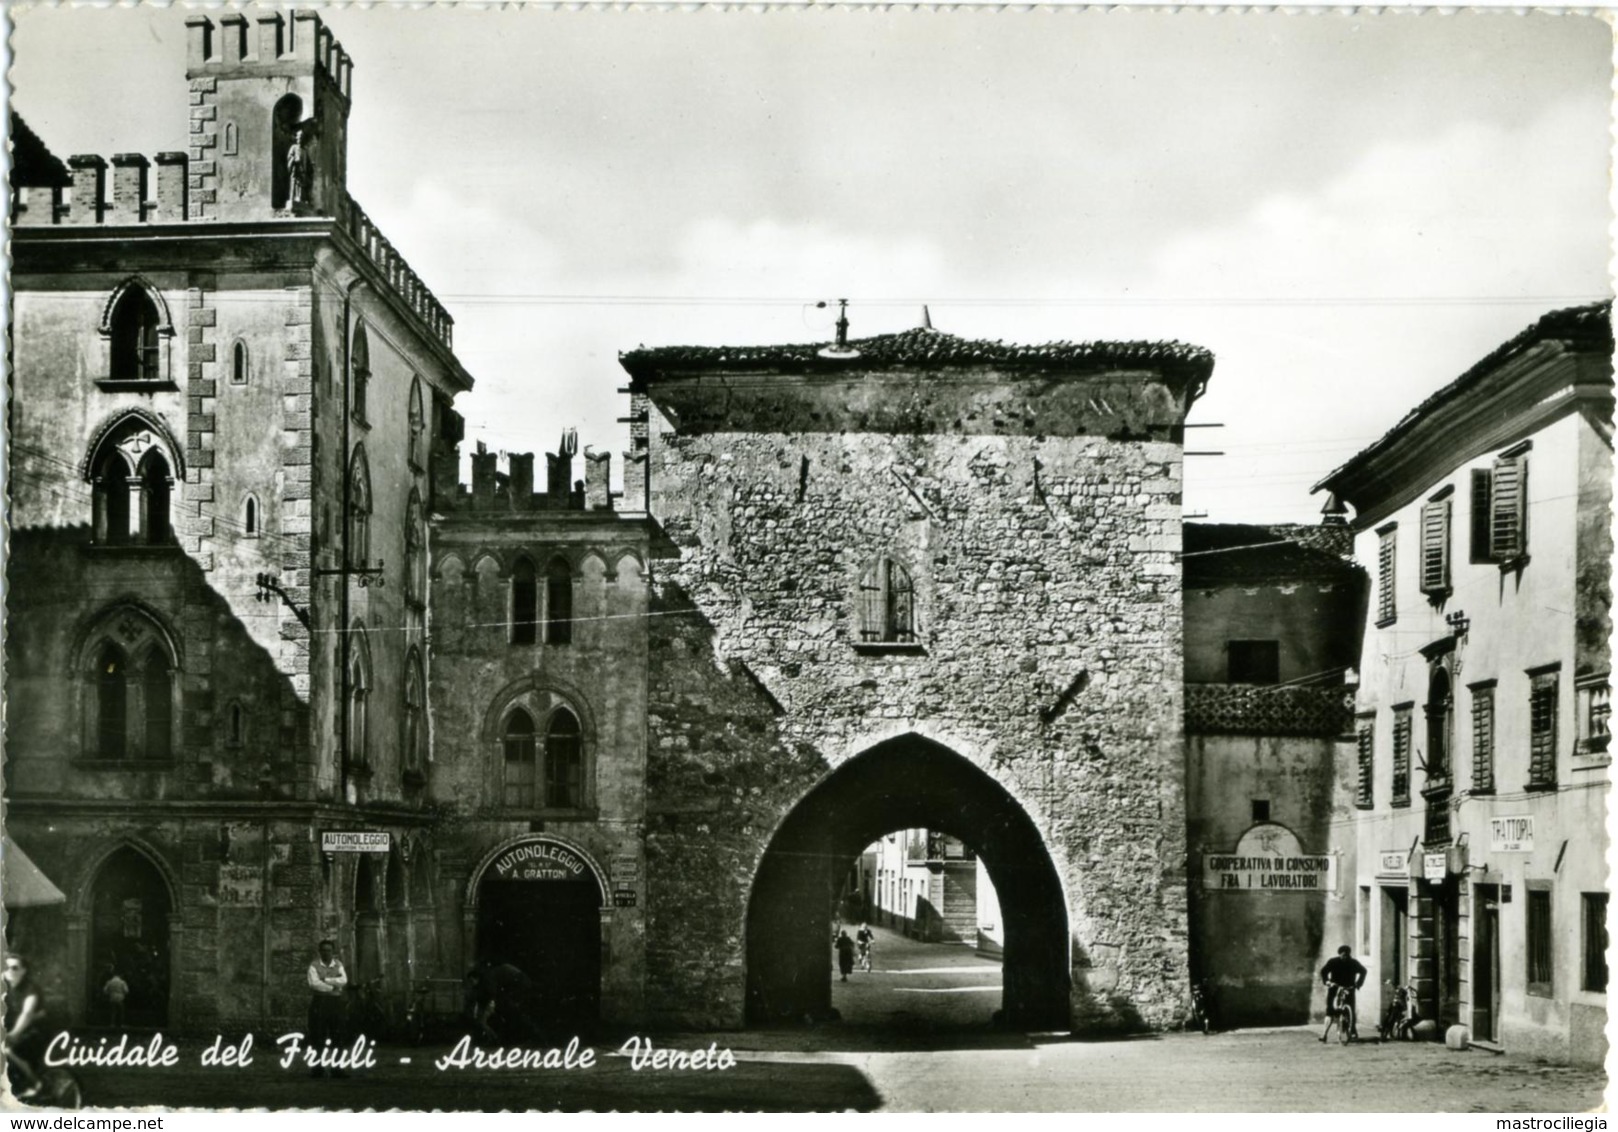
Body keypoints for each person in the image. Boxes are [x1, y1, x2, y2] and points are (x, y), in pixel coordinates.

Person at [4, 953, 47, 1100]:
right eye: (6, 967)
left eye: (15, 968)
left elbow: (27, 1014)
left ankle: (36, 1083)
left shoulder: (30, 989)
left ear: (23, 970)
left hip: (37, 1031)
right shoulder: (6, 989)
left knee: (6, 1049)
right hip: (17, 1029)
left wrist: (13, 1034)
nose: (10, 971)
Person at [306, 940, 349, 1077]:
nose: (326, 953)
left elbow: (344, 980)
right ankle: (317, 1069)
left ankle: (337, 1069)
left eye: (329, 950)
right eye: (323, 950)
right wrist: (333, 987)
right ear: (320, 952)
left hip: (336, 1003)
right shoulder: (313, 966)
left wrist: (326, 980)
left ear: (333, 951)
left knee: (338, 1036)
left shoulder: (338, 964)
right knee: (318, 1036)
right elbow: (314, 984)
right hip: (320, 1003)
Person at [1320, 944, 1367, 1042]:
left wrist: (1358, 984)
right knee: (1330, 1011)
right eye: (1343, 955)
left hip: (1349, 988)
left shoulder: (1353, 963)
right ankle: (1324, 1034)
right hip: (1334, 988)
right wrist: (1328, 982)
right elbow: (1323, 971)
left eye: (1347, 955)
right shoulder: (1333, 962)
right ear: (1339, 954)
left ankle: (1352, 1031)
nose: (1345, 957)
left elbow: (1363, 971)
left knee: (1351, 1011)